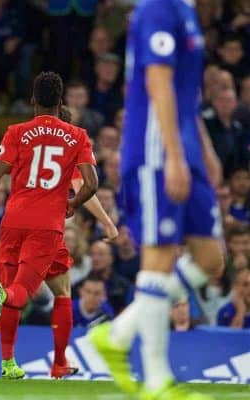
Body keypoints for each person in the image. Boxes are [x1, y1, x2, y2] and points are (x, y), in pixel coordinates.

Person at [88, 1, 225, 399]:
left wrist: (204, 148)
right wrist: (175, 155)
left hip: (184, 147)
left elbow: (184, 91)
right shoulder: (158, 8)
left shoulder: (185, 9)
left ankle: (117, 334)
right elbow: (158, 82)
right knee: (160, 258)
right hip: (156, 151)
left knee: (210, 257)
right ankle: (157, 379)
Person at [0, 72, 98, 379]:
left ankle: (8, 362)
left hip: (13, 221)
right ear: (61, 101)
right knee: (28, 293)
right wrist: (73, 205)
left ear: (33, 100)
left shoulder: (15, 132)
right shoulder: (77, 136)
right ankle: (58, 362)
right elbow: (91, 183)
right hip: (47, 227)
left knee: (17, 287)